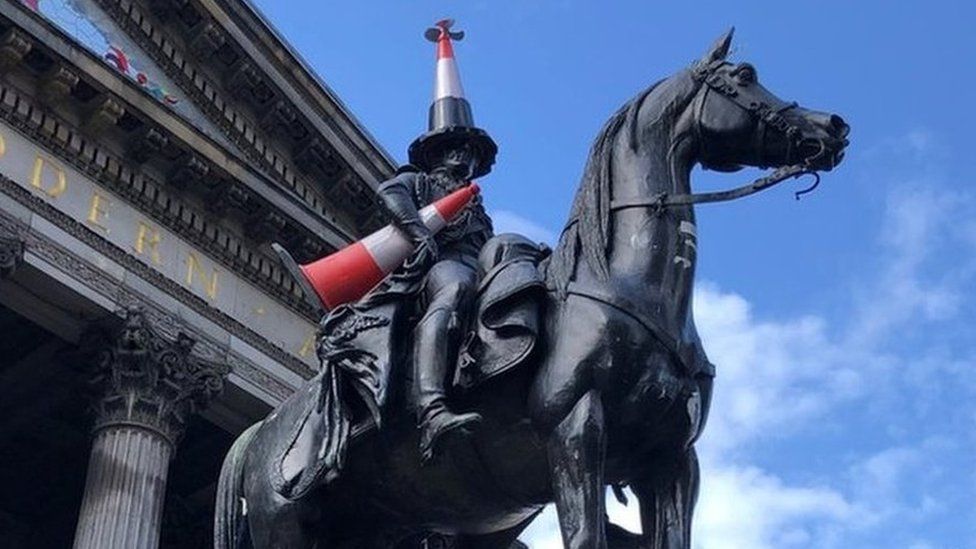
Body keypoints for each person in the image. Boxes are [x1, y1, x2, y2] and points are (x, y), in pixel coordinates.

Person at [377, 140, 493, 462]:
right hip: (441, 266)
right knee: (454, 289)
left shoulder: (480, 214)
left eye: (472, 153)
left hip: (478, 272)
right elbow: (390, 193)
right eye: (456, 147)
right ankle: (431, 408)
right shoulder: (419, 182)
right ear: (436, 155)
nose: (464, 155)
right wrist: (419, 233)